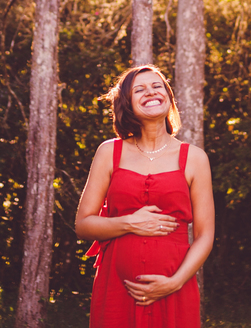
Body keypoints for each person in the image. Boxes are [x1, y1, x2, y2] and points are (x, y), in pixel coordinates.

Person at [75, 65, 214, 327]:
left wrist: (175, 282)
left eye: (157, 86)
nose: (150, 92)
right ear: (127, 104)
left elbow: (205, 235)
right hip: (116, 291)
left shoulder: (195, 158)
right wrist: (129, 223)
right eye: (139, 90)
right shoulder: (109, 152)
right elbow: (83, 225)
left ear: (168, 96)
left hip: (174, 288)